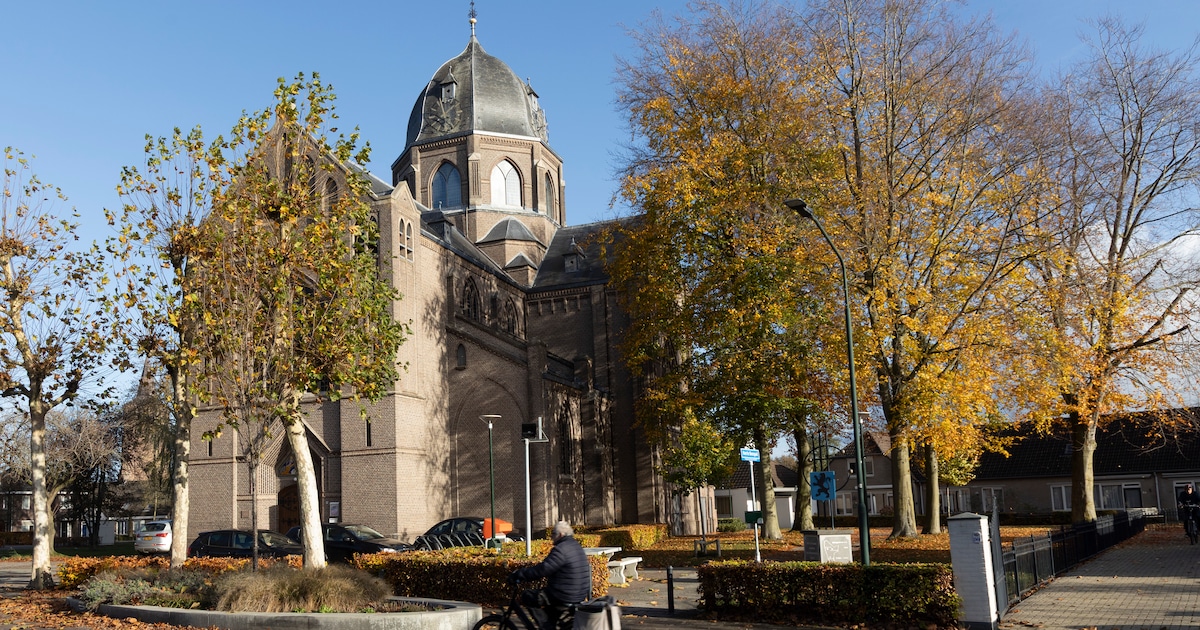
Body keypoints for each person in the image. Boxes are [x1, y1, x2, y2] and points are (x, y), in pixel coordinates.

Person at [508, 521, 591, 629]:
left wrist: (520, 574)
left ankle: (545, 627)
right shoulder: (575, 546)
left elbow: (543, 569)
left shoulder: (561, 549)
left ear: (560, 535)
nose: (552, 538)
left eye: (553, 534)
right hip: (579, 594)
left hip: (564, 595)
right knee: (550, 613)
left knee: (528, 596)